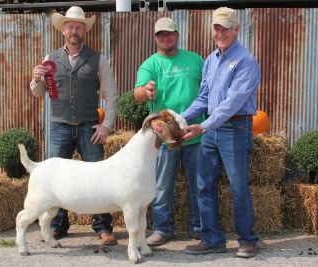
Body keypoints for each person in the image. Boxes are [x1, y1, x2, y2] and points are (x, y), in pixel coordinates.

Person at [29, 6, 119, 246]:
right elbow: (38, 92)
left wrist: (106, 126)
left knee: (99, 178)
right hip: (59, 127)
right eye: (69, 26)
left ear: (84, 30)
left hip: (89, 127)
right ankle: (58, 226)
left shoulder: (99, 59)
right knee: (56, 179)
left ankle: (103, 228)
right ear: (63, 31)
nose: (73, 30)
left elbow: (111, 95)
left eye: (78, 26)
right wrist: (36, 79)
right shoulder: (50, 59)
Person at [181, 7, 260, 258]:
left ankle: (248, 240)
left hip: (235, 128)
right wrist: (179, 119)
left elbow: (231, 103)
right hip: (212, 129)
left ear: (236, 29)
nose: (221, 32)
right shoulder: (211, 59)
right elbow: (203, 98)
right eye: (217, 28)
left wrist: (202, 126)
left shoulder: (246, 61)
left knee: (238, 187)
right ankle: (212, 238)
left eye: (226, 28)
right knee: (203, 183)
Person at [134, 17, 205, 246]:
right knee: (162, 184)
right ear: (155, 38)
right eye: (160, 34)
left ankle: (199, 227)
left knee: (199, 183)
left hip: (195, 132)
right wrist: (146, 91)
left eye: (169, 33)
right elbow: (137, 93)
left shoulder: (195, 60)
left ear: (177, 35)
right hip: (164, 136)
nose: (165, 37)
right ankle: (162, 229)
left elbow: (208, 91)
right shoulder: (150, 64)